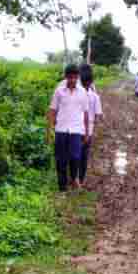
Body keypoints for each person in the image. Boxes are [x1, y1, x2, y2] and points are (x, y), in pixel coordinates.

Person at [47, 64, 90, 192]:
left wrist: (86, 132)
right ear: (65, 77)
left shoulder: (82, 92)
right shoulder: (59, 91)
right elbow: (52, 111)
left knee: (75, 157)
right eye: (69, 77)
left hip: (76, 130)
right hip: (61, 129)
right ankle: (62, 188)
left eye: (74, 77)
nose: (72, 80)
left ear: (78, 77)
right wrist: (49, 130)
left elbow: (86, 113)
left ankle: (73, 178)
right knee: (60, 160)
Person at [79, 67, 101, 184]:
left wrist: (92, 128)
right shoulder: (76, 94)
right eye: (84, 83)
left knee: (83, 155)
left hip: (87, 131)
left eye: (87, 83)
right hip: (76, 129)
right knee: (77, 155)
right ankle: (76, 178)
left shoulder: (94, 97)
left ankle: (80, 179)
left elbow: (97, 115)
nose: (86, 85)